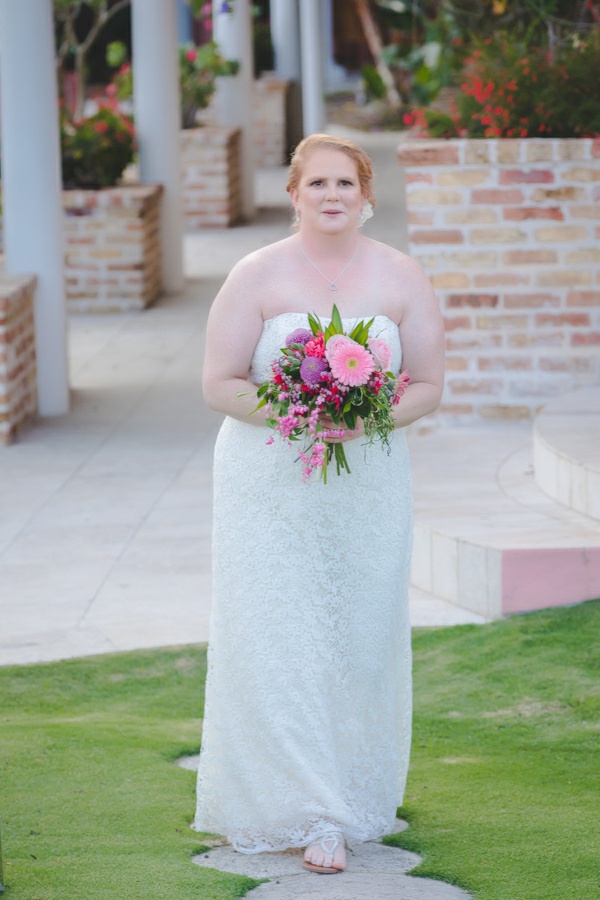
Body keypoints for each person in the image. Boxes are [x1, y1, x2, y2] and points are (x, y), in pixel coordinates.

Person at [193, 133, 445, 874]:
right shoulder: (255, 274)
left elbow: (427, 385)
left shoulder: (402, 276)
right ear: (294, 194)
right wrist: (301, 415)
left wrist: (360, 419)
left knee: (358, 635)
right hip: (268, 479)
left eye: (346, 184)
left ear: (367, 195)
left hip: (367, 481)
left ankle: (353, 786)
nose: (331, 196)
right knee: (279, 634)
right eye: (317, 184)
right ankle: (313, 813)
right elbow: (219, 383)